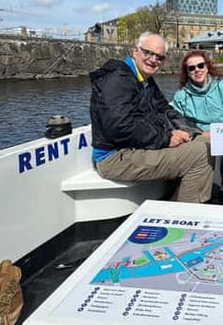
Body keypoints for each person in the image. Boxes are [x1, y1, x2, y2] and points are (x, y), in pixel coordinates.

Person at [90, 32, 213, 203]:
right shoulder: (117, 79)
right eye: (148, 53)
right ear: (135, 51)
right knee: (200, 154)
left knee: (205, 143)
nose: (153, 59)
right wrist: (166, 138)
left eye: (159, 57)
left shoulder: (144, 79)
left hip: (136, 147)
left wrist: (194, 133)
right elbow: (119, 126)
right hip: (114, 157)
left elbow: (165, 110)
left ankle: (176, 203)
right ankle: (183, 216)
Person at [171, 50, 223, 133]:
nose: (197, 70)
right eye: (191, 68)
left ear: (207, 68)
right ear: (187, 73)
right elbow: (179, 123)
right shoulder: (180, 95)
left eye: (201, 66)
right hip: (198, 135)